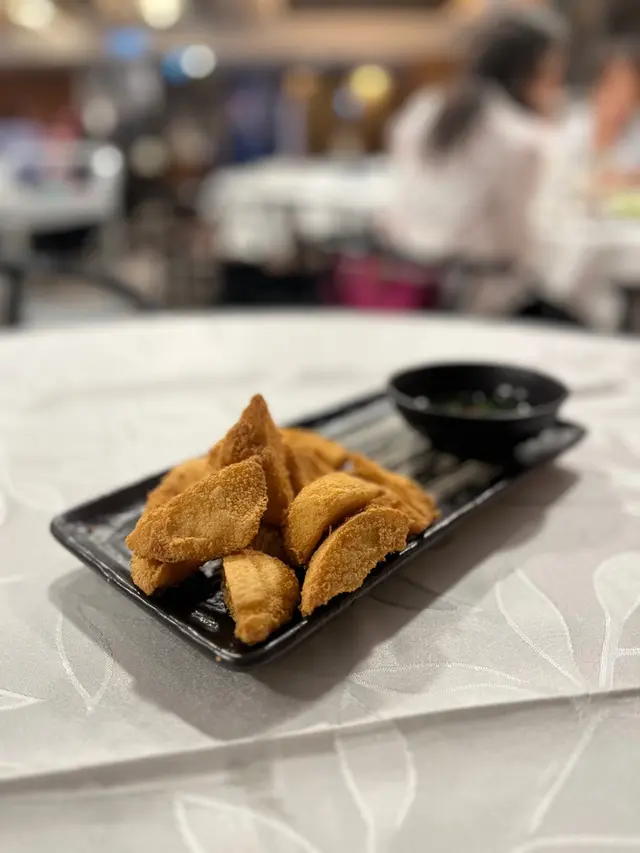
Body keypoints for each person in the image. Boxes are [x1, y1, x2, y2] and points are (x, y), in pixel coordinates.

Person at [385, 5, 577, 322]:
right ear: (531, 71)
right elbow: (520, 247)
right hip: (480, 301)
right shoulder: (519, 137)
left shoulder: (423, 109)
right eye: (554, 74)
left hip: (404, 288)